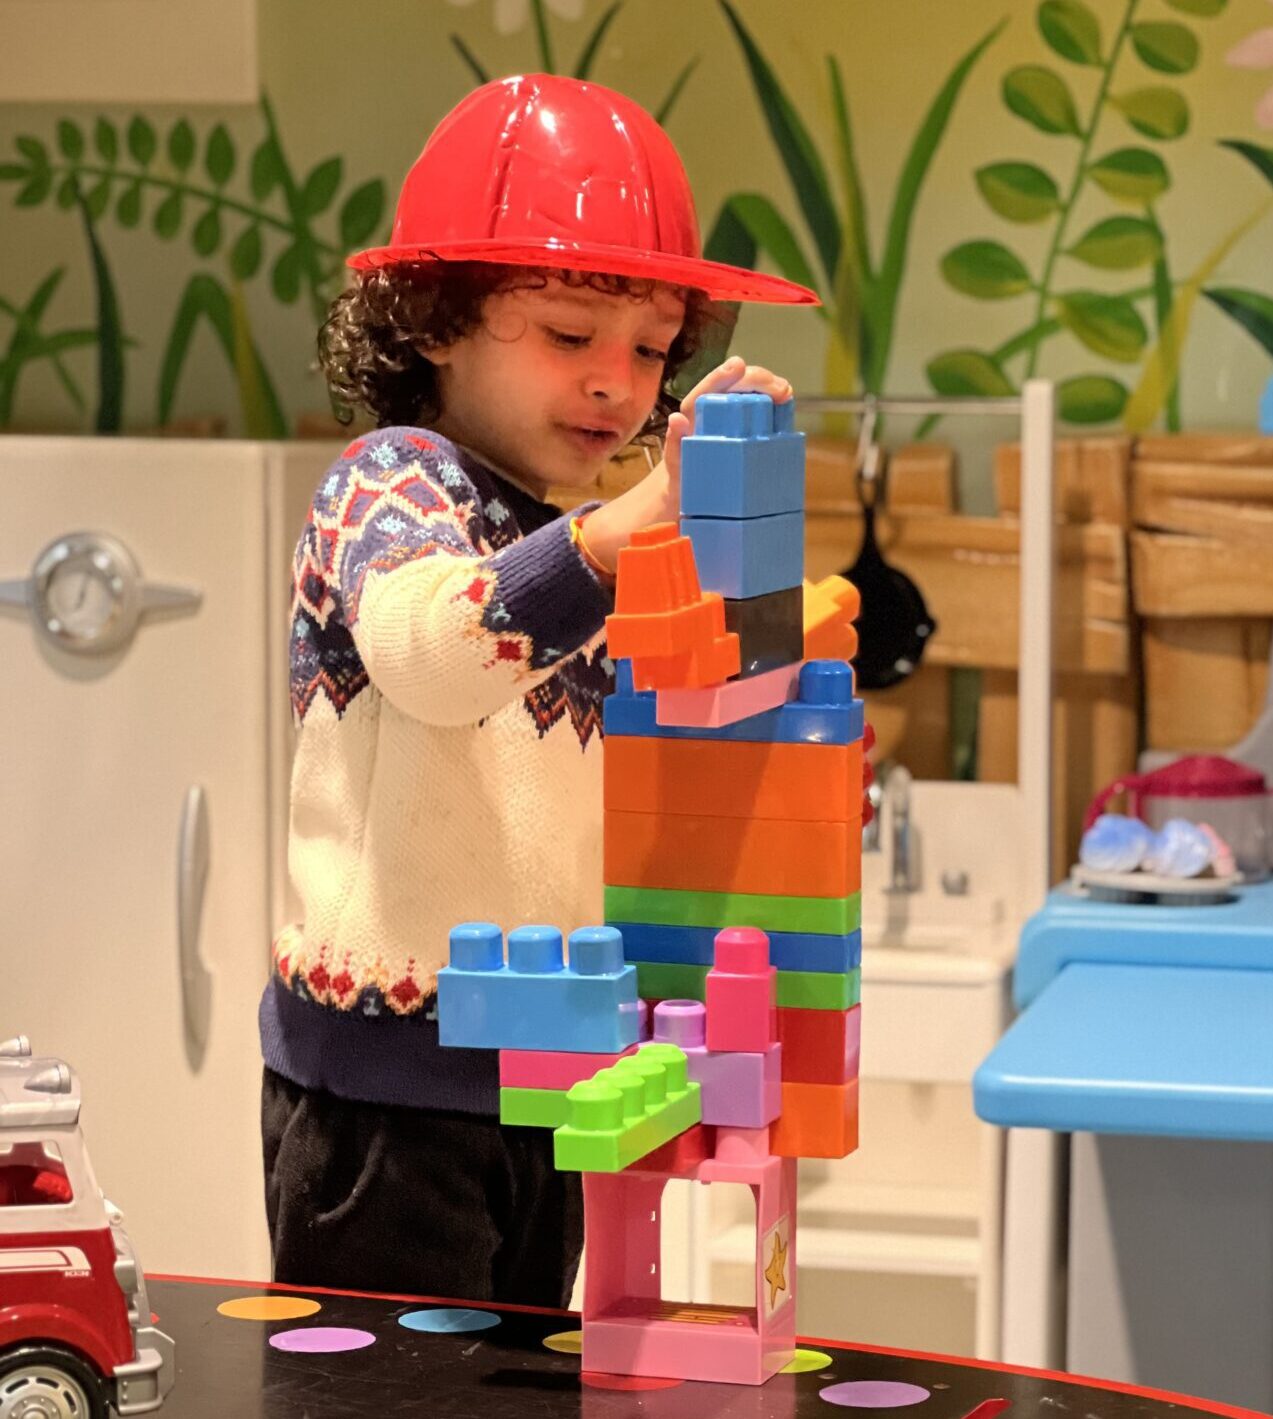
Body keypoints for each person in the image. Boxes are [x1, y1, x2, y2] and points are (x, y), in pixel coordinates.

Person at [257, 72, 817, 1308]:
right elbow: (430, 651)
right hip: (387, 1089)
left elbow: (742, 683)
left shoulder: (583, 538)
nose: (620, 382)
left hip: (548, 1074)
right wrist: (623, 531)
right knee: (387, 1399)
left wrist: (747, 505)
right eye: (571, 335)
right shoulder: (390, 483)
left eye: (654, 349)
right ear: (436, 321)